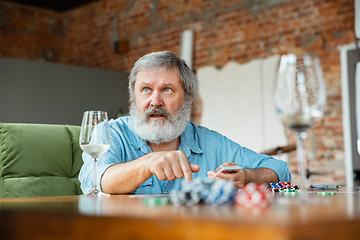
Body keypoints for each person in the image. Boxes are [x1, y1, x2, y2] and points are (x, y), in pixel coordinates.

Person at [78, 51, 291, 194]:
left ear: (187, 98)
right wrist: (148, 162)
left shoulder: (209, 142)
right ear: (134, 97)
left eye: (167, 90)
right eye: (146, 90)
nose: (155, 101)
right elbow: (96, 179)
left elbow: (280, 171)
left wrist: (247, 176)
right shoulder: (110, 133)